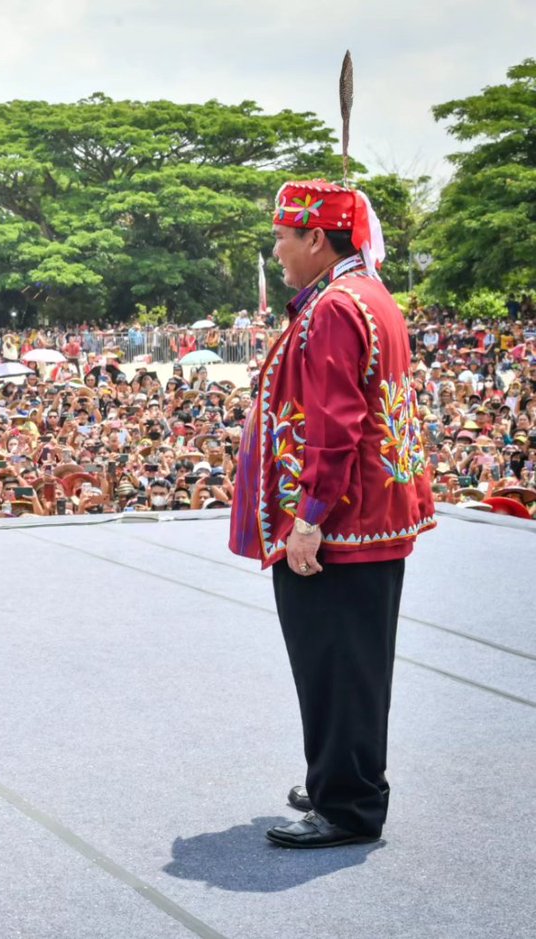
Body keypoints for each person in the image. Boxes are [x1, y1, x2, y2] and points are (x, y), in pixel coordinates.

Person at [229, 179, 435, 847]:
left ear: (317, 237)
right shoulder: (368, 296)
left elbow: (336, 424)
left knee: (337, 665)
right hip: (375, 516)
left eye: (285, 237)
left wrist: (309, 518)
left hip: (339, 524)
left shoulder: (335, 309)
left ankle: (346, 805)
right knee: (354, 663)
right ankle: (341, 778)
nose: (279, 250)